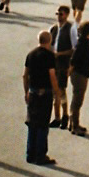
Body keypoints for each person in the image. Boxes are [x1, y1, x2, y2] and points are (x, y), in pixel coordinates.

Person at [23, 30, 61, 166]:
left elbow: (25, 75)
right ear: (49, 41)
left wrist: (26, 92)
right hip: (45, 93)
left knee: (32, 123)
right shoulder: (49, 56)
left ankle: (30, 154)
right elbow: (52, 75)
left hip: (33, 92)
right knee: (43, 124)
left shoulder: (31, 54)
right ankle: (40, 155)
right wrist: (57, 92)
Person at [50, 5, 77, 130]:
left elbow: (74, 49)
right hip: (53, 63)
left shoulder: (71, 29)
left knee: (61, 89)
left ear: (66, 15)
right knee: (54, 90)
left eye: (61, 14)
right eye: (57, 14)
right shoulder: (53, 28)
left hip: (63, 63)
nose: (59, 17)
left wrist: (60, 54)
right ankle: (57, 117)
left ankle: (65, 114)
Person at [68, 20, 89, 135]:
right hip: (80, 75)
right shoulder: (82, 43)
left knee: (77, 100)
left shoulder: (85, 41)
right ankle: (75, 126)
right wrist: (70, 71)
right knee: (77, 101)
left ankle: (73, 123)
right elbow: (74, 59)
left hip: (83, 74)